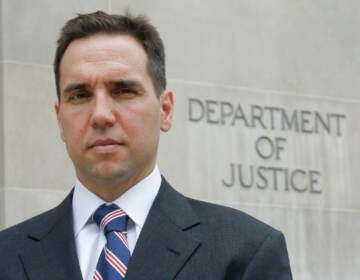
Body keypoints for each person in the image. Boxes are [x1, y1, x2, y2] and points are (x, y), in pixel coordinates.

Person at [0, 11, 292, 280]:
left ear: (165, 111)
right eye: (80, 95)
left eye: (124, 91)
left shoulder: (246, 251)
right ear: (60, 119)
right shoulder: (6, 256)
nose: (101, 114)